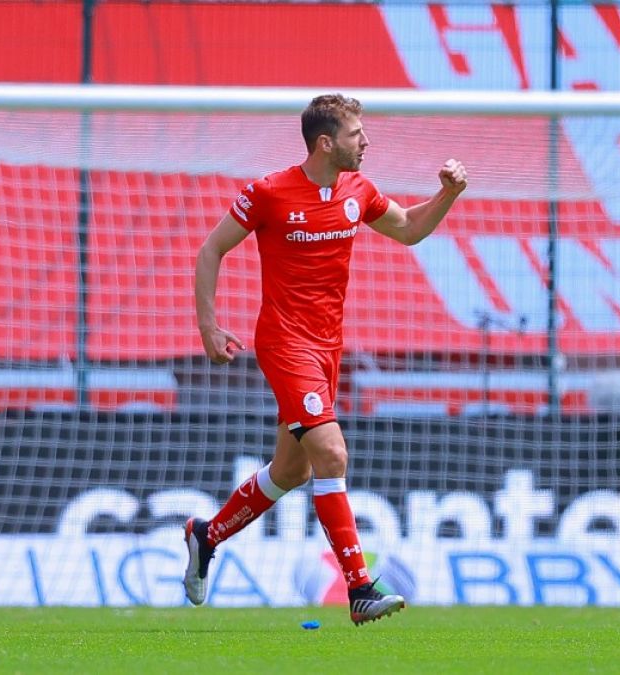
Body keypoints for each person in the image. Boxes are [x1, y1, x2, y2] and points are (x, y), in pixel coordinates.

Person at [188, 93, 468, 625]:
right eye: (357, 133)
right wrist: (209, 328)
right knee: (332, 454)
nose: (366, 142)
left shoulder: (358, 191)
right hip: (284, 343)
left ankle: (207, 535)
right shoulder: (269, 192)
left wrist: (447, 194)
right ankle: (359, 587)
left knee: (289, 472)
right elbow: (211, 250)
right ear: (326, 142)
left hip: (327, 348)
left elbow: (408, 228)